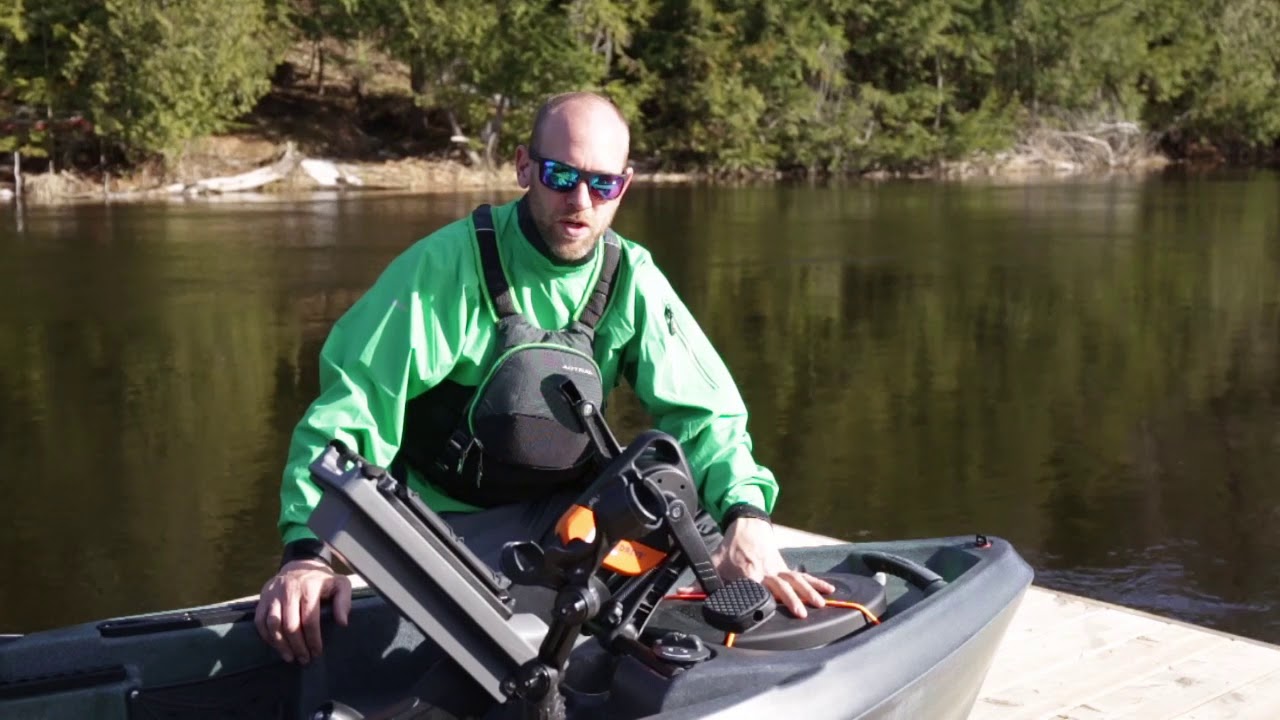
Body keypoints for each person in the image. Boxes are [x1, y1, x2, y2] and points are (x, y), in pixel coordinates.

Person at [254, 91, 833, 666]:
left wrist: (747, 517)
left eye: (602, 184)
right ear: (523, 166)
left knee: (672, 492)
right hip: (449, 525)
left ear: (623, 187)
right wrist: (307, 552)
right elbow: (351, 410)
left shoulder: (630, 276)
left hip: (568, 517)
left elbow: (707, 415)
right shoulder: (442, 270)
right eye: (560, 175)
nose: (580, 199)